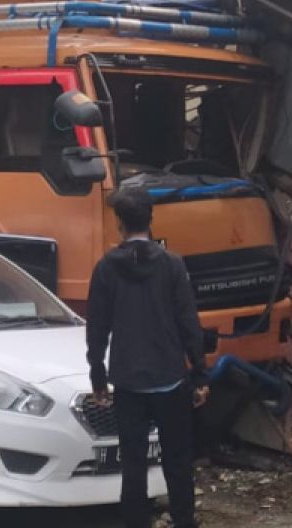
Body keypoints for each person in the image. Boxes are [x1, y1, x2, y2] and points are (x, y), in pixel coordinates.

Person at [87, 187, 209, 528]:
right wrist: (199, 375)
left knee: (134, 464)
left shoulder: (106, 268)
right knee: (178, 461)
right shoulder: (172, 265)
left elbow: (97, 328)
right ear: (150, 221)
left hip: (127, 381)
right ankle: (184, 522)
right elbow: (189, 322)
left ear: (119, 224)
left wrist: (98, 377)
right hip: (170, 378)